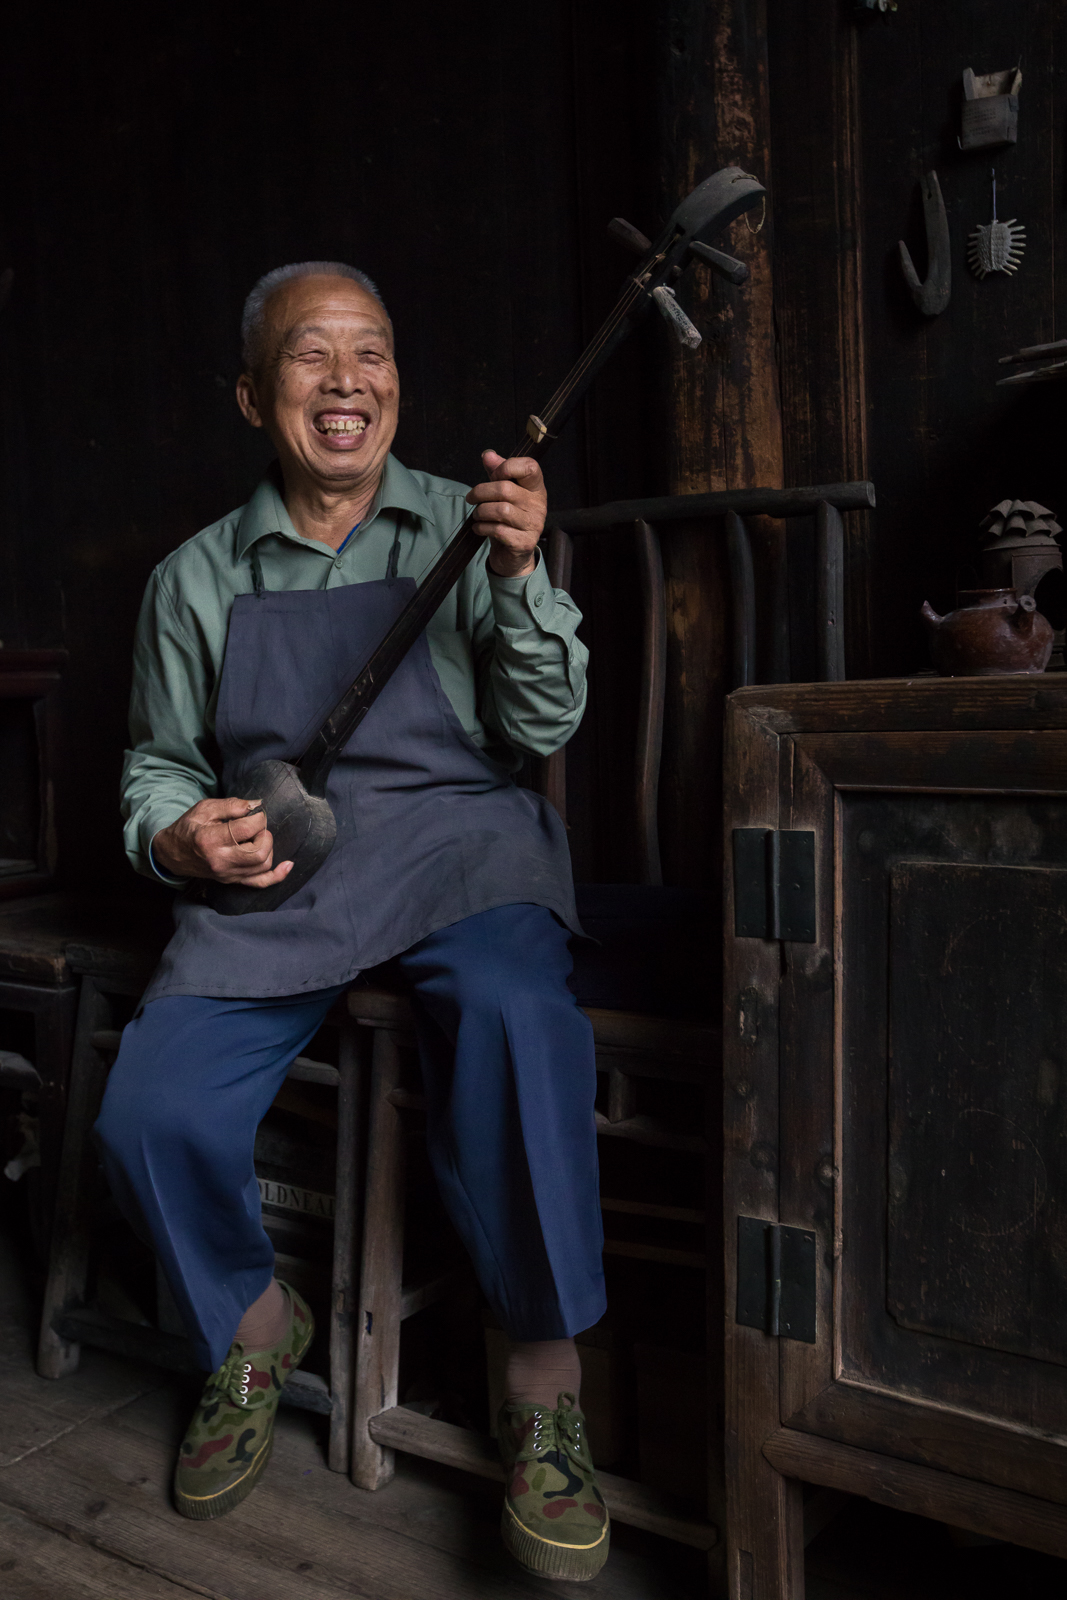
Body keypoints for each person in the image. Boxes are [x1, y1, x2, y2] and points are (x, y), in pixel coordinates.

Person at [94, 262, 609, 1581]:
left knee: (515, 1012)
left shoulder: (472, 520)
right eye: (310, 356)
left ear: (396, 383)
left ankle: (540, 1373)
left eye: (369, 352)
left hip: (457, 841)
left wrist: (519, 570)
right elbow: (159, 761)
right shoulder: (192, 579)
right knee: (147, 1109)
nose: (346, 381)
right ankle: (257, 1325)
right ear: (254, 395)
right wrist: (177, 831)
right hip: (289, 864)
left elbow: (543, 727)